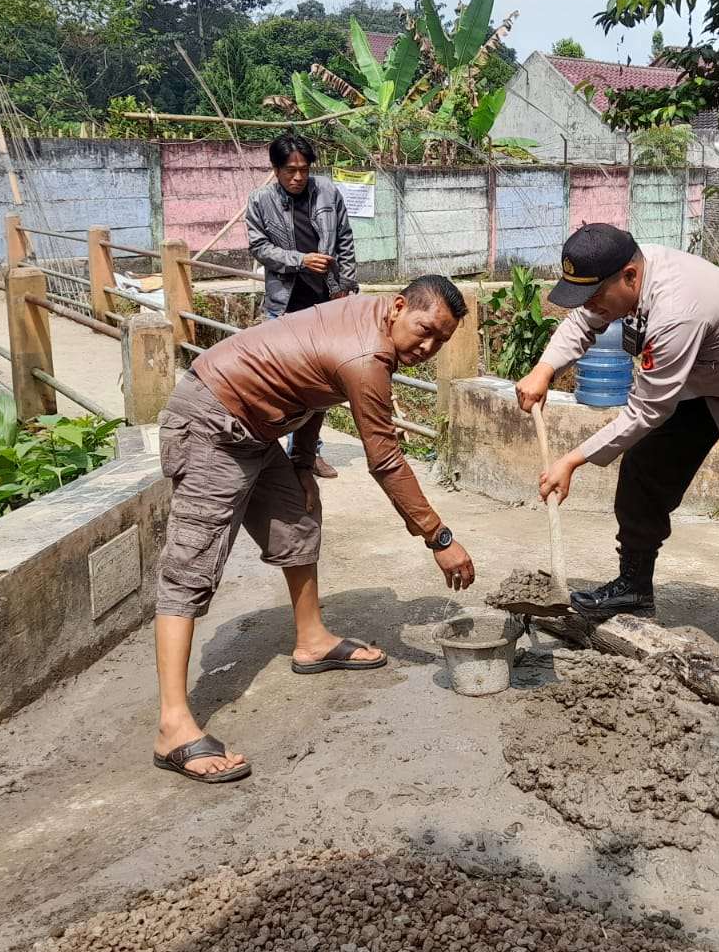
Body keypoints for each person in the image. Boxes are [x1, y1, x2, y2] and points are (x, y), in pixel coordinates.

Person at [151, 276, 477, 783]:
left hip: (259, 426)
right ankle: (173, 725)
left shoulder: (367, 317)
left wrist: (303, 461)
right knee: (191, 565)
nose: (428, 348)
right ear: (397, 307)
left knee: (298, 521)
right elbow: (386, 458)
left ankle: (313, 639)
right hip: (213, 421)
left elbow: (314, 383)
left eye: (441, 341)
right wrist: (439, 537)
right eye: (425, 330)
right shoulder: (367, 358)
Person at [514, 224, 719, 700]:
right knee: (644, 473)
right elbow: (585, 321)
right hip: (698, 384)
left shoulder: (678, 307)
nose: (590, 306)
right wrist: (544, 368)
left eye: (596, 295)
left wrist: (571, 461)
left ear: (630, 276)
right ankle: (634, 588)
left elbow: (646, 410)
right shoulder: (622, 283)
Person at [244, 133, 358, 479]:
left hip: (326, 303)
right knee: (282, 383)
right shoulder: (260, 201)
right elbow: (259, 248)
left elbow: (345, 241)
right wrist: (300, 260)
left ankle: (307, 454)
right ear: (276, 170)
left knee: (318, 384)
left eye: (303, 170)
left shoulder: (328, 192)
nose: (297, 177)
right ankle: (270, 453)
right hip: (285, 306)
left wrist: (346, 287)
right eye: (290, 171)